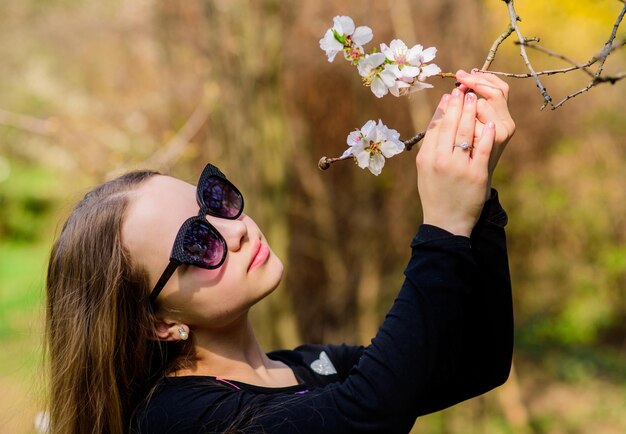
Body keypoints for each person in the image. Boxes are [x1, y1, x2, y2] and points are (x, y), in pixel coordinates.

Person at [45, 69, 516, 434]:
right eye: (197, 242)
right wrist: (444, 223)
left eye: (216, 200)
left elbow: (476, 363)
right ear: (159, 323)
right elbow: (370, 413)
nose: (235, 231)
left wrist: (476, 197)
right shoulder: (176, 418)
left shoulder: (305, 367)